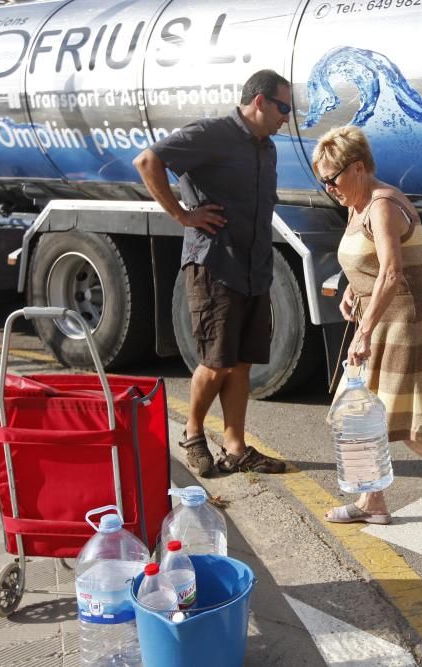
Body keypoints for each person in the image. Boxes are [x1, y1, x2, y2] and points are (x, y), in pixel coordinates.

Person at [312, 126, 422, 525]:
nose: (328, 188)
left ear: (357, 168)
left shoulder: (382, 204)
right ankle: (372, 502)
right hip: (380, 313)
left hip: (401, 318)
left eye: (332, 179)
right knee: (357, 414)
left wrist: (366, 330)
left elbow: (392, 274)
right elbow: (373, 266)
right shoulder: (358, 203)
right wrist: (355, 290)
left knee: (401, 419)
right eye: (322, 181)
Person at [133, 69, 291, 477]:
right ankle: (193, 434)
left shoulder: (266, 148)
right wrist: (182, 215)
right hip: (215, 266)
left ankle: (236, 449)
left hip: (253, 268)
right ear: (259, 101)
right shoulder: (213, 133)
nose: (286, 117)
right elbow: (148, 160)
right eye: (283, 107)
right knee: (216, 361)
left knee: (240, 364)